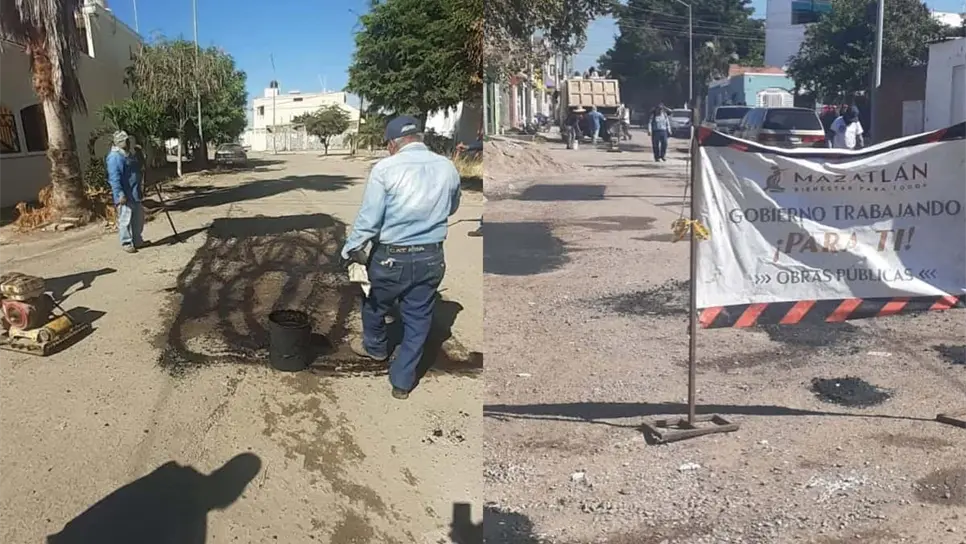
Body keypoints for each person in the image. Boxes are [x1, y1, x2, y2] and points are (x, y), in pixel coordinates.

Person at [341, 115, 461, 400]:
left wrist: (350, 249)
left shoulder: (385, 169)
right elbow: (453, 207)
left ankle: (377, 348)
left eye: (387, 145)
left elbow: (370, 220)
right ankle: (402, 381)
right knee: (419, 318)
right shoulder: (447, 167)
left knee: (374, 303)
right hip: (431, 256)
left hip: (391, 257)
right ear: (418, 138)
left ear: (393, 144)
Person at [106, 131, 145, 253]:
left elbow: (138, 168)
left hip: (135, 192)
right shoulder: (114, 157)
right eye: (125, 141)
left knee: (138, 218)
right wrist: (120, 194)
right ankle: (126, 242)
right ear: (118, 143)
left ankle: (137, 240)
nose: (127, 143)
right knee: (125, 219)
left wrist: (139, 154)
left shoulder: (128, 155)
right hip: (125, 194)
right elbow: (114, 178)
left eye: (127, 141)